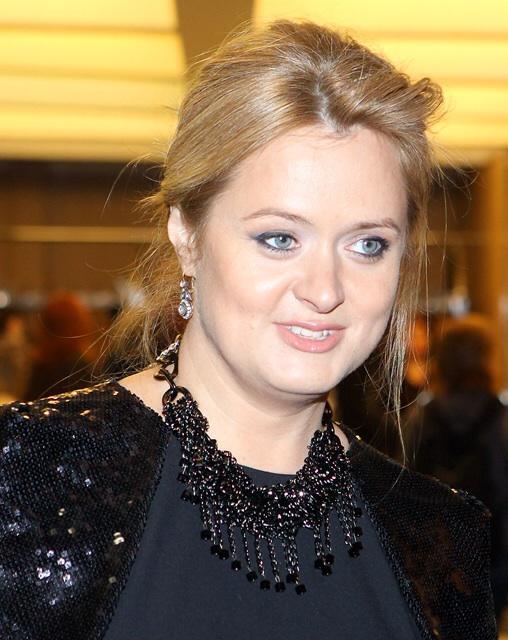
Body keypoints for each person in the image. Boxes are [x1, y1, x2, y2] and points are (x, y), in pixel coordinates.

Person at [0, 20, 496, 640]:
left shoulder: (441, 537)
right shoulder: (27, 476)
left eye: (368, 244)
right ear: (187, 236)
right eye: (279, 238)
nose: (325, 290)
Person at [407, 314, 508, 621]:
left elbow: (405, 482)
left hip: (435, 549)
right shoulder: (501, 418)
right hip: (491, 549)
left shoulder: (422, 417)